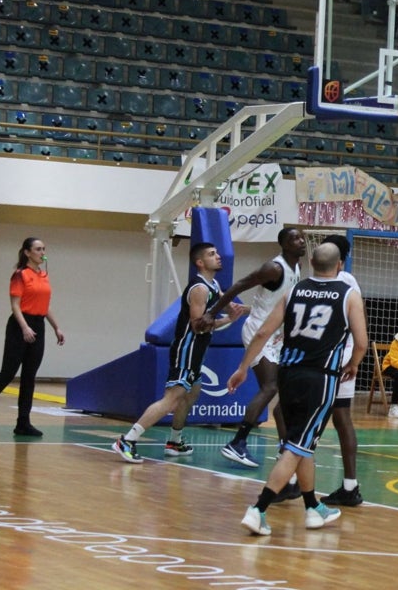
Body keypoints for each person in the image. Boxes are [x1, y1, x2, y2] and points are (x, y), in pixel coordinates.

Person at [232, 242, 368, 536]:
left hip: (288, 374)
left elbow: (264, 331)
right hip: (320, 379)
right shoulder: (349, 295)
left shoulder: (293, 291)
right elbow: (361, 343)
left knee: (302, 443)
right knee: (296, 447)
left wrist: (243, 367)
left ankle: (312, 507)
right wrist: (354, 364)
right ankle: (258, 509)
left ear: (310, 262)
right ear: (340, 265)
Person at [114, 242, 240, 462]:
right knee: (172, 399)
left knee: (192, 394)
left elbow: (226, 302)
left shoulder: (213, 284)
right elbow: (197, 325)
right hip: (187, 348)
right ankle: (127, 440)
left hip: (196, 351)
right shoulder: (199, 288)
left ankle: (174, 441)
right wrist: (229, 319)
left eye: (217, 253)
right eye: (212, 254)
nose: (218, 256)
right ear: (200, 262)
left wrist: (244, 308)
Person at [202, 227, 307, 469]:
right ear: (283, 245)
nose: (301, 241)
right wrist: (212, 312)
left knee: (283, 394)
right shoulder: (274, 268)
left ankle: (285, 449)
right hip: (258, 332)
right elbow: (240, 284)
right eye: (295, 238)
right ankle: (237, 443)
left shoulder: (297, 267)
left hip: (275, 335)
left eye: (302, 237)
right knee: (270, 387)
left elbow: (276, 305)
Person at [0, 237, 66, 436]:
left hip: (38, 324)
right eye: (38, 249)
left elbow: (45, 307)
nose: (42, 252)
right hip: (19, 325)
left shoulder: (44, 276)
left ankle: (23, 422)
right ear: (27, 252)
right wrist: (24, 328)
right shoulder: (20, 275)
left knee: (29, 377)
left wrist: (57, 327)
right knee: (8, 373)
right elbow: (15, 306)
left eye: (43, 249)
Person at [318, 233, 366, 507]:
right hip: (338, 356)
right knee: (339, 418)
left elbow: (359, 319)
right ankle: (350, 486)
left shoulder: (344, 281)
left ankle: (289, 482)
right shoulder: (343, 281)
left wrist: (354, 359)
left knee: (325, 417)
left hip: (335, 357)